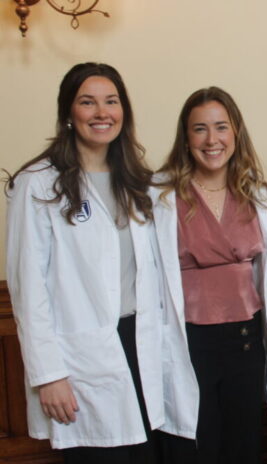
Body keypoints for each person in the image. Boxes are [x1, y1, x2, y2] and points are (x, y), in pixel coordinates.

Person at [5, 62, 198, 463]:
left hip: (140, 344)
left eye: (111, 102)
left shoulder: (141, 183)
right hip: (81, 357)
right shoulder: (38, 184)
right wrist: (49, 376)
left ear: (124, 111)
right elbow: (28, 290)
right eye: (87, 102)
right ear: (68, 114)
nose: (101, 113)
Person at [154, 86, 267, 463]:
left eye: (221, 127)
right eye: (200, 129)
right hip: (189, 342)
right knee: (195, 447)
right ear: (185, 137)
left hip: (245, 341)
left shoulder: (256, 193)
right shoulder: (160, 195)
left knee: (242, 447)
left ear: (235, 133)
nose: (212, 140)